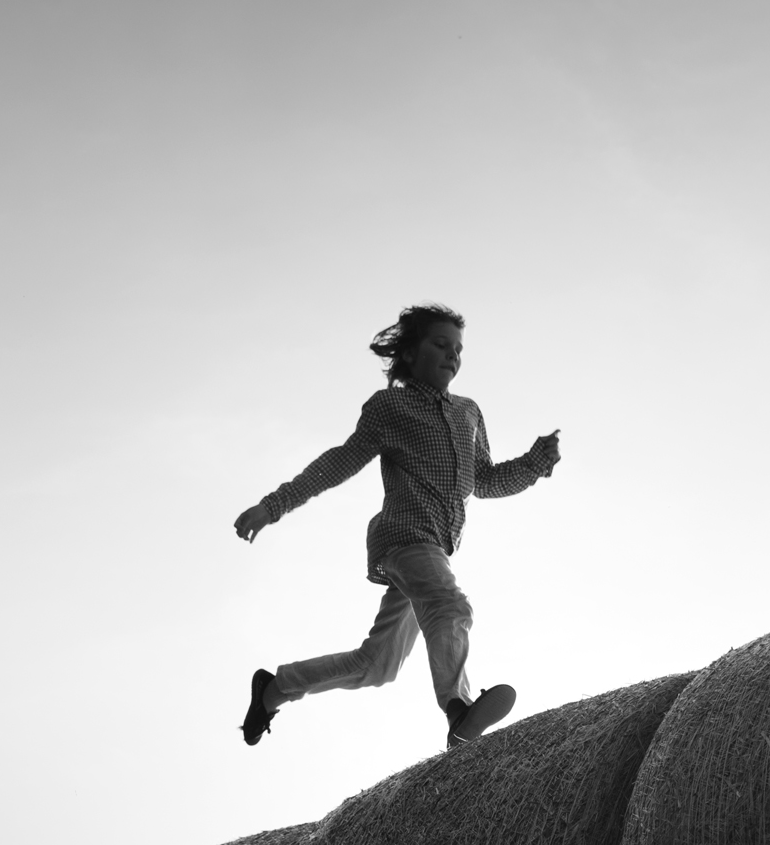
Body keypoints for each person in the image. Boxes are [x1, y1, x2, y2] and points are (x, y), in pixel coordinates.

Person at [232, 304, 561, 749]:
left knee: (378, 665)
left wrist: (534, 463)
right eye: (440, 345)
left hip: (434, 550)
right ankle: (459, 707)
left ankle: (274, 689)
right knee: (449, 605)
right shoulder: (391, 407)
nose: (452, 355)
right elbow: (339, 462)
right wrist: (273, 506)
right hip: (405, 539)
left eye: (458, 349)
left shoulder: (468, 413)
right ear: (409, 353)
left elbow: (484, 480)